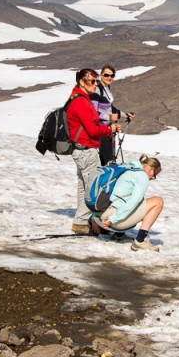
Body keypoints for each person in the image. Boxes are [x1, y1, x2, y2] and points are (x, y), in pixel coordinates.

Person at [66, 68, 121, 235]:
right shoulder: (81, 102)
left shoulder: (79, 98)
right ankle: (94, 223)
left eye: (96, 81)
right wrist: (109, 129)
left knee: (84, 185)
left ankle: (81, 222)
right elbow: (92, 129)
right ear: (81, 82)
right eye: (92, 81)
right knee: (94, 188)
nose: (95, 84)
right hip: (86, 149)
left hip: (82, 149)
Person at [91, 154, 165, 252]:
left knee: (139, 201)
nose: (151, 178)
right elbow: (133, 202)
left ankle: (119, 235)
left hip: (103, 213)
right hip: (111, 219)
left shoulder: (129, 168)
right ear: (151, 170)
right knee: (157, 202)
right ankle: (140, 241)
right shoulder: (142, 175)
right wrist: (112, 219)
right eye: (154, 176)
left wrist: (94, 216)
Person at [91, 65, 133, 166]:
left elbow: (110, 108)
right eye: (106, 75)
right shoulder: (97, 89)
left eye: (112, 75)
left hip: (108, 130)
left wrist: (125, 115)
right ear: (101, 75)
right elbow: (92, 112)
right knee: (106, 162)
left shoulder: (106, 87)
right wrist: (109, 117)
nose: (109, 77)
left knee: (108, 161)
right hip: (100, 131)